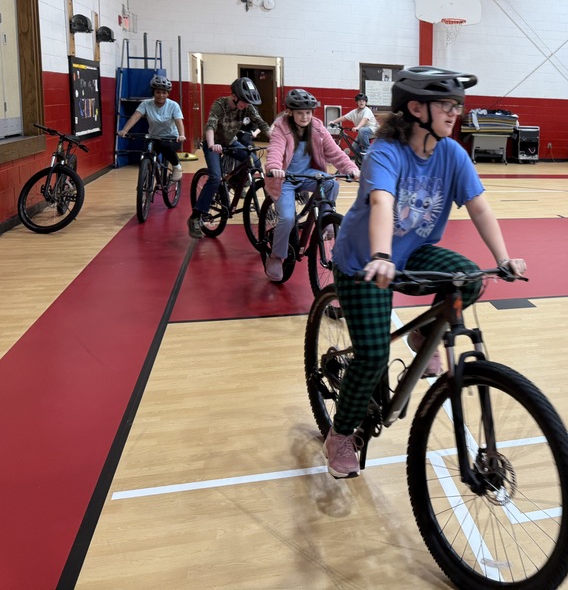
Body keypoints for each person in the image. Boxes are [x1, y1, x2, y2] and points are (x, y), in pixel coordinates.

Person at [321, 66, 527, 479]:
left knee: (470, 278)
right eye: (446, 105)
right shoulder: (385, 151)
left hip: (413, 251)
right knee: (374, 356)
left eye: (457, 105)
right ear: (415, 108)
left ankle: (422, 335)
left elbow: (480, 206)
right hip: (364, 261)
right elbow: (381, 202)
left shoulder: (452, 153)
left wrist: (504, 258)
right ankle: (340, 435)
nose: (456, 113)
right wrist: (381, 254)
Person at [264, 89, 360, 282]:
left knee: (331, 182)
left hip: (307, 174)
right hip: (285, 178)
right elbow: (274, 150)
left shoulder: (316, 126)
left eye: (308, 112)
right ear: (290, 112)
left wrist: (350, 167)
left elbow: (335, 152)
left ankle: (324, 221)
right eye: (300, 113)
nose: (305, 116)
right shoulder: (281, 127)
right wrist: (274, 167)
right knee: (287, 219)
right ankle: (276, 256)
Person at [188, 76, 272, 239]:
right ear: (234, 96)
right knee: (215, 177)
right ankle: (196, 217)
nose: (246, 106)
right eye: (244, 102)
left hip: (231, 141)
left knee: (254, 161)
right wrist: (212, 144)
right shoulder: (220, 105)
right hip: (214, 144)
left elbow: (262, 124)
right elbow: (211, 125)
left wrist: (275, 141)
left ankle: (234, 182)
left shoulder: (247, 107)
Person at [117, 75, 186, 180]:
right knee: (146, 154)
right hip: (154, 136)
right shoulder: (146, 104)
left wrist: (181, 135)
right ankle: (148, 175)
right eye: (158, 92)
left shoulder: (173, 105)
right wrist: (124, 130)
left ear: (168, 94)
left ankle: (177, 167)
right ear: (153, 92)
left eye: (164, 93)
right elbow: (135, 117)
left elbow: (178, 121)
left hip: (171, 137)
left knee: (166, 147)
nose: (161, 95)